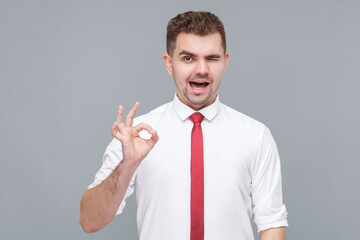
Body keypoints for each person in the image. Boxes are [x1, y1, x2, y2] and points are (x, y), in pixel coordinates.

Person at [79, 11, 288, 240]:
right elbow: (89, 221)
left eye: (212, 58)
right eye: (188, 58)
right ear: (169, 64)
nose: (201, 69)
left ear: (225, 62)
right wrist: (127, 165)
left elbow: (272, 224)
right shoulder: (136, 136)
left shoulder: (256, 137)